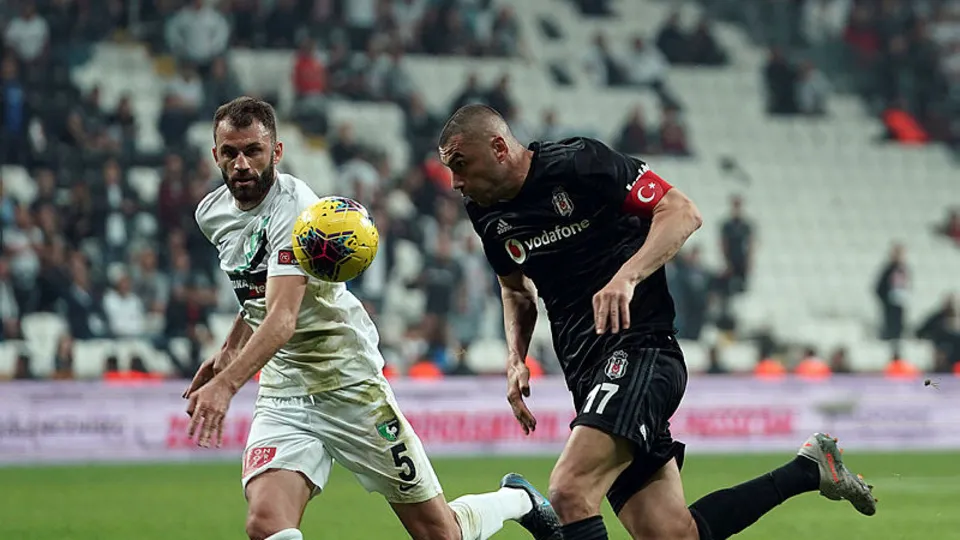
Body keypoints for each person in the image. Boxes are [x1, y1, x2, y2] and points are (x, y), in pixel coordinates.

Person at [438, 104, 877, 540]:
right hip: (585, 371)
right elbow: (516, 290)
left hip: (640, 351)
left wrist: (627, 276)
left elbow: (681, 211)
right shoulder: (486, 213)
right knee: (671, 534)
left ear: (499, 147)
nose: (456, 182)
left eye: (461, 164)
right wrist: (515, 358)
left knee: (569, 492)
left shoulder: (579, 163)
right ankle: (808, 469)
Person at [184, 97, 561, 540]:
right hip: (284, 391)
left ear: (277, 152)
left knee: (440, 534)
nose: (242, 164)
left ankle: (518, 499)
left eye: (254, 151)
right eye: (230, 153)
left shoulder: (296, 211)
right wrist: (228, 351)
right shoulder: (212, 213)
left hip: (347, 382)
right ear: (215, 155)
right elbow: (256, 292)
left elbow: (283, 317)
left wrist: (228, 385)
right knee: (267, 526)